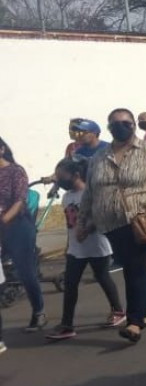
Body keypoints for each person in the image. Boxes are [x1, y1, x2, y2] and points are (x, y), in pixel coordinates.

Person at [77, 109, 146, 343]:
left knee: (133, 267)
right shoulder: (99, 157)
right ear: (108, 127)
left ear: (133, 125)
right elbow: (90, 192)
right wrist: (83, 221)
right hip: (110, 223)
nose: (120, 126)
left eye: (126, 122)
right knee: (137, 266)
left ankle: (134, 322)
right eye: (115, 123)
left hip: (142, 219)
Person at [45, 158, 126, 340]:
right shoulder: (66, 198)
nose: (60, 181)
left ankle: (118, 311)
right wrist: (69, 245)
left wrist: (87, 230)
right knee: (70, 283)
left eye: (62, 177)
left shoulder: (91, 193)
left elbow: (101, 215)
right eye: (58, 177)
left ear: (76, 175)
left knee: (102, 277)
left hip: (97, 245)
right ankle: (67, 325)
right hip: (76, 249)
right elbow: (70, 225)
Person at [0, 135, 47, 332]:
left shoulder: (15, 171)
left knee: (25, 272)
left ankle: (39, 311)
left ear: (2, 149)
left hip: (17, 227)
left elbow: (20, 200)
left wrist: (3, 220)